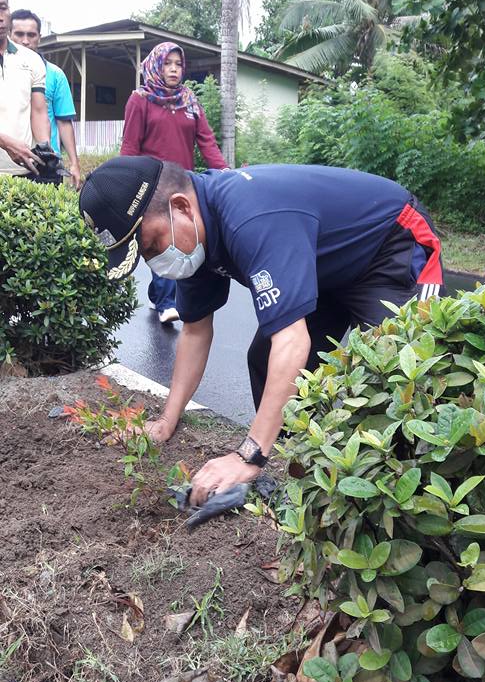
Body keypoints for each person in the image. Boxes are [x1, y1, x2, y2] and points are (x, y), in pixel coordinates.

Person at [79, 156, 445, 506]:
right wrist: (165, 422)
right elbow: (194, 331)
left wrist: (248, 454)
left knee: (397, 374)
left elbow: (292, 340)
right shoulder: (192, 237)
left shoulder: (250, 217)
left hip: (389, 245)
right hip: (323, 265)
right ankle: (295, 472)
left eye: (152, 245)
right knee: (264, 357)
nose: (155, 260)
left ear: (181, 208)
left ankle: (409, 492)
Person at [121, 42, 227, 324]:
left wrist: (226, 173)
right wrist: (126, 185)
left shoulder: (190, 101)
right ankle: (167, 301)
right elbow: (130, 147)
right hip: (153, 186)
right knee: (164, 239)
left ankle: (161, 296)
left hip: (185, 184)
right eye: (168, 64)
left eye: (178, 64)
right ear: (156, 66)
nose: (174, 69)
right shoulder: (140, 99)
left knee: (185, 237)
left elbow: (207, 142)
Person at [10, 9, 81, 189]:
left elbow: (64, 122)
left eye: (31, 35)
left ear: (39, 37)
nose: (25, 41)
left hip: (47, 164)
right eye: (19, 34)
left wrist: (74, 163)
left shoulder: (55, 75)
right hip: (9, 161)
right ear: (9, 34)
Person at [0, 0, 50, 177]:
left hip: (24, 171)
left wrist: (45, 149)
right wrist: (5, 142)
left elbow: (38, 111)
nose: (0, 17)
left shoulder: (31, 60)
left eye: (3, 8)